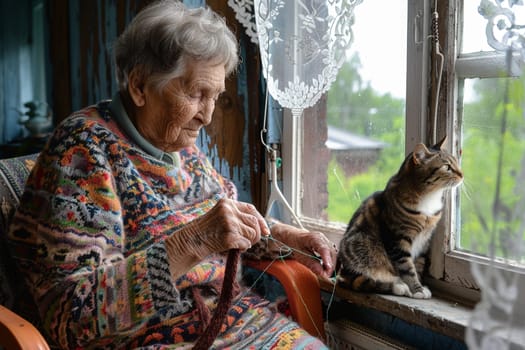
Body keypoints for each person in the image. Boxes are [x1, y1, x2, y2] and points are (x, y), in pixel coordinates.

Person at [7, 1, 337, 349]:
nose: (207, 116)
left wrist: (289, 240)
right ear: (139, 86)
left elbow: (225, 226)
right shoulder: (82, 153)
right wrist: (193, 241)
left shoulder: (181, 149)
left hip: (233, 321)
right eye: (196, 94)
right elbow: (72, 317)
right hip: (149, 338)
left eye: (216, 96)